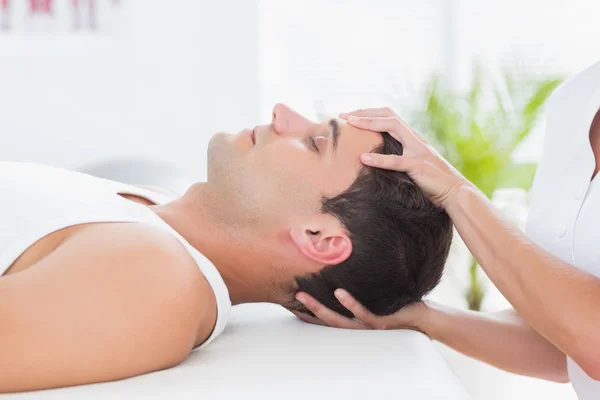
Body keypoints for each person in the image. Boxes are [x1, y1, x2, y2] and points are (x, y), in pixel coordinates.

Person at [0, 103, 453, 393]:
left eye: (314, 142)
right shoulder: (156, 207)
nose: (282, 114)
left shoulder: (156, 280)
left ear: (319, 238)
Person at [293, 61, 600, 400]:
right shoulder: (573, 101)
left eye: (316, 142)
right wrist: (424, 318)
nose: (281, 115)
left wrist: (455, 192)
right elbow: (562, 348)